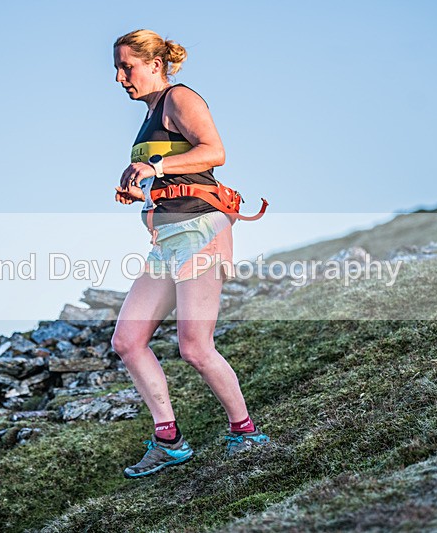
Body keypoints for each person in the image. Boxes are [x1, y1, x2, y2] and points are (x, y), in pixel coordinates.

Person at [111, 29, 269, 479]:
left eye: (128, 67)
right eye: (118, 69)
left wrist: (155, 167)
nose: (121, 77)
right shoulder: (148, 117)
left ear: (155, 64)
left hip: (200, 230)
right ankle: (168, 442)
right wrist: (142, 187)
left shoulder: (179, 98)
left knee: (195, 347)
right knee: (127, 341)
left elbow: (213, 151)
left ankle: (246, 432)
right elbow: (172, 168)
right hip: (167, 239)